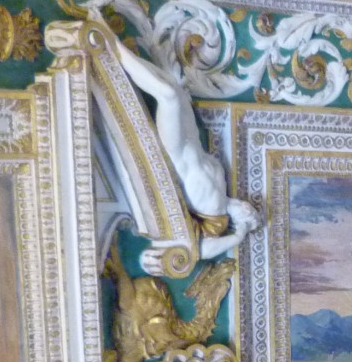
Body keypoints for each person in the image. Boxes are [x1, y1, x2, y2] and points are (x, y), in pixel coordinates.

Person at [104, 23, 261, 259]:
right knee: (174, 89)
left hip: (175, 154)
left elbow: (201, 251)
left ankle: (112, 47)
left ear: (239, 221)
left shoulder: (217, 219)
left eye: (247, 214)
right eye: (250, 209)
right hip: (191, 139)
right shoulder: (222, 185)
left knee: (168, 97)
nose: (247, 208)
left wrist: (238, 237)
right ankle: (115, 48)